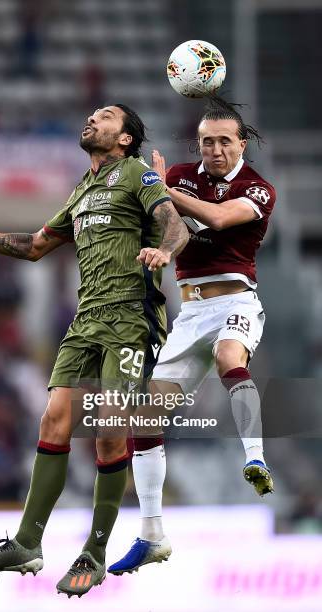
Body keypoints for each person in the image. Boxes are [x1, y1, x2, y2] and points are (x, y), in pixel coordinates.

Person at [0, 104, 189, 597]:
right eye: (92, 115)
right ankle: (27, 543)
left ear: (125, 139)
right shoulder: (82, 190)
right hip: (86, 321)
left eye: (106, 117)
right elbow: (33, 246)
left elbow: (171, 223)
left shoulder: (136, 174)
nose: (93, 120)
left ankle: (94, 549)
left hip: (130, 321)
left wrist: (165, 251)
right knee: (53, 420)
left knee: (109, 432)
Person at [108, 99, 276, 576]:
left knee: (230, 358)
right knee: (145, 417)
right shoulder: (181, 175)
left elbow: (220, 218)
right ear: (197, 143)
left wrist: (164, 191)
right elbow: (170, 222)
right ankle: (151, 534)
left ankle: (256, 460)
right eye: (207, 141)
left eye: (225, 140)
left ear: (241, 143)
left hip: (236, 302)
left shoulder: (258, 188)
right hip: (190, 312)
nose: (215, 149)